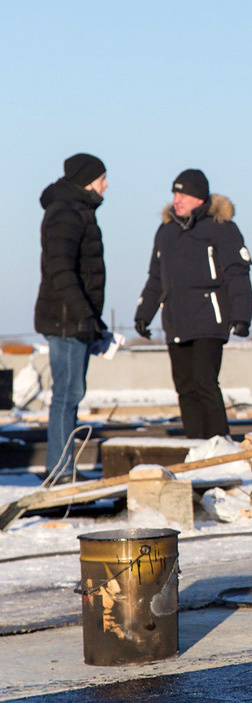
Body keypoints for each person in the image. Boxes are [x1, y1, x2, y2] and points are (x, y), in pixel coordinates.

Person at [134, 169, 252, 439]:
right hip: (176, 319)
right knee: (185, 387)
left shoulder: (221, 228)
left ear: (199, 198)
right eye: (175, 194)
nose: (177, 199)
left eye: (183, 194)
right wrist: (144, 313)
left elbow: (237, 272)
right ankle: (196, 446)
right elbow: (155, 276)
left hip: (209, 319)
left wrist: (242, 316)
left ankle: (218, 443)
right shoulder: (166, 231)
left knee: (204, 382)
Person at [34, 154, 109, 483]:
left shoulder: (78, 211)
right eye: (102, 178)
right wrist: (83, 316)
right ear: (87, 180)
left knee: (71, 393)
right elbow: (61, 270)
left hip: (75, 320)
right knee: (67, 394)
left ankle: (63, 467)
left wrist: (95, 321)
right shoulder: (66, 213)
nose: (107, 185)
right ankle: (60, 471)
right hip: (65, 322)